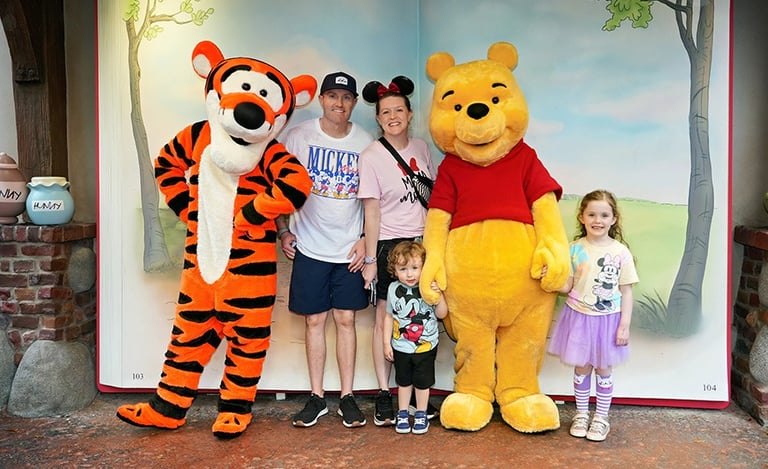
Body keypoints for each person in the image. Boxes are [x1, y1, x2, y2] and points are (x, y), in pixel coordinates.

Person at [276, 71, 373, 428]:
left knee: (346, 320)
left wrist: (365, 239)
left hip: (349, 250)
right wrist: (283, 230)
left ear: (354, 103)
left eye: (346, 98)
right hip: (310, 247)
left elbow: (373, 199)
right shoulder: (299, 137)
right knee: (314, 321)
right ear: (321, 99)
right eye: (332, 96)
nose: (339, 103)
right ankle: (316, 397)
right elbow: (278, 187)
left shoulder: (365, 142)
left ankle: (347, 397)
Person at [357, 76, 437, 426]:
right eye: (385, 112)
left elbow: (432, 200)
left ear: (409, 114)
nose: (392, 116)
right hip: (390, 246)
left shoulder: (421, 148)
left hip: (421, 243)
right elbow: (371, 211)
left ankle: (419, 397)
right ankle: (383, 394)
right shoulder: (371, 156)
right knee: (386, 321)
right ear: (377, 118)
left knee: (424, 316)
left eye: (398, 110)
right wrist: (372, 259)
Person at [546, 189, 639, 442]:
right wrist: (550, 276)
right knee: (582, 366)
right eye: (592, 214)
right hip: (578, 317)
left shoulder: (621, 253)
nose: (598, 220)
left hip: (608, 320)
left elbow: (627, 292)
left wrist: (624, 326)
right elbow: (566, 287)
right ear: (582, 217)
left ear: (613, 219)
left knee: (604, 368)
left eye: (604, 215)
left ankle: (601, 418)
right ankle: (582, 414)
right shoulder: (573, 249)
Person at [383, 241, 447, 434]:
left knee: (423, 383)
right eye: (403, 269)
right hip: (401, 346)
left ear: (423, 268)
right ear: (394, 270)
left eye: (414, 268)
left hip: (425, 348)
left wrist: (439, 294)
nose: (409, 274)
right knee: (403, 382)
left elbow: (442, 314)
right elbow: (388, 316)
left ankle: (420, 413)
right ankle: (403, 413)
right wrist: (386, 342)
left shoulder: (428, 288)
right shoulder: (393, 289)